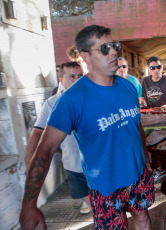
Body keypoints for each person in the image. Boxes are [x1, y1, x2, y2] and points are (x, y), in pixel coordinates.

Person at [19, 25, 154, 230]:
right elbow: (44, 151)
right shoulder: (71, 100)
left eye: (114, 46)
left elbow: (136, 127)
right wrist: (29, 205)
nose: (113, 52)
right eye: (104, 48)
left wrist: (145, 157)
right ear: (85, 57)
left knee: (143, 218)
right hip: (105, 187)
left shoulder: (127, 86)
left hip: (138, 174)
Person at [25, 62, 90, 214]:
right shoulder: (52, 103)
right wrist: (31, 166)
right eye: (72, 76)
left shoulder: (93, 99)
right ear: (61, 80)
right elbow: (37, 133)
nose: (77, 80)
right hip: (74, 167)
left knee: (105, 210)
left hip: (99, 165)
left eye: (80, 76)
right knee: (97, 210)